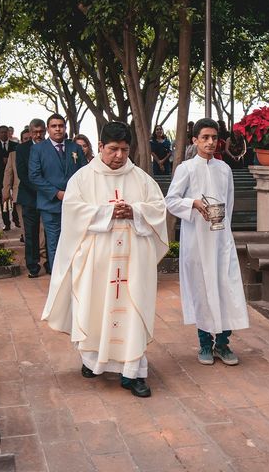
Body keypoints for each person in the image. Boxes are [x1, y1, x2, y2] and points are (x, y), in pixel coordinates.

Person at [41, 121, 168, 398]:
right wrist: (108, 213)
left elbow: (159, 209)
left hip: (133, 263)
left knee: (132, 311)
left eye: (124, 150)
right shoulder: (82, 178)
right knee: (95, 308)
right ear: (100, 147)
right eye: (113, 149)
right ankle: (92, 362)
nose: (119, 156)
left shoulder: (142, 179)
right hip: (97, 263)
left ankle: (132, 372)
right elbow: (73, 212)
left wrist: (134, 210)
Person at [165, 118, 249, 366]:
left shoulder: (224, 169)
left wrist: (226, 231)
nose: (210, 142)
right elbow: (171, 200)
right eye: (205, 138)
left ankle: (223, 344)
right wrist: (192, 203)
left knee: (226, 289)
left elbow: (229, 202)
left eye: (214, 138)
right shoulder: (186, 169)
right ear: (195, 140)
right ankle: (204, 344)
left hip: (221, 238)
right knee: (201, 290)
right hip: (196, 240)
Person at [29, 113, 88, 268]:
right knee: (54, 243)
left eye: (61, 126)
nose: (58, 129)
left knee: (76, 242)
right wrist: (56, 193)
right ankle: (58, 279)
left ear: (65, 128)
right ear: (48, 129)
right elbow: (34, 176)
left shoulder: (74, 147)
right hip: (51, 205)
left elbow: (85, 173)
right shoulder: (38, 149)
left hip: (75, 204)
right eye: (54, 126)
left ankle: (75, 277)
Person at [16, 118, 48, 277]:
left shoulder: (51, 147)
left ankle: (50, 262)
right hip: (29, 197)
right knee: (31, 233)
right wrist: (43, 189)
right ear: (30, 132)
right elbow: (22, 174)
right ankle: (33, 266)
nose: (38, 135)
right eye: (35, 132)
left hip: (50, 197)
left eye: (41, 131)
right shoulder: (21, 149)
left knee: (50, 232)